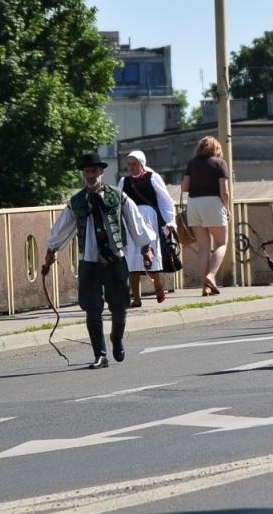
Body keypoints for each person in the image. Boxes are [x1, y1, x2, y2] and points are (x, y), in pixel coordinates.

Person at [42, 153, 154, 369]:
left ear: (101, 172)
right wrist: (50, 252)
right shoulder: (76, 202)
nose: (90, 175)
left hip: (115, 259)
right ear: (83, 174)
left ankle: (117, 339)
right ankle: (100, 354)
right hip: (89, 261)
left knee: (120, 305)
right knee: (92, 308)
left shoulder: (118, 196)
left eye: (94, 171)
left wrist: (146, 248)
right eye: (87, 172)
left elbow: (135, 223)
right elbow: (62, 229)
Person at [119, 150, 174, 308]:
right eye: (129, 164)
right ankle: (136, 298)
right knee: (131, 259)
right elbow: (117, 203)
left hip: (149, 221)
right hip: (131, 221)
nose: (131, 167)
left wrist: (170, 221)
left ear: (141, 164)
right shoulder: (124, 182)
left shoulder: (153, 178)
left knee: (151, 256)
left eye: (134, 164)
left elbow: (165, 200)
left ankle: (158, 288)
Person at [180, 135, 231, 296]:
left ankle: (206, 287)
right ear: (216, 149)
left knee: (203, 248)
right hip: (213, 204)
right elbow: (225, 191)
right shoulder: (220, 163)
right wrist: (227, 208)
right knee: (221, 243)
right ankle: (211, 275)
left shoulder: (192, 164)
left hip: (194, 204)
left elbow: (184, 187)